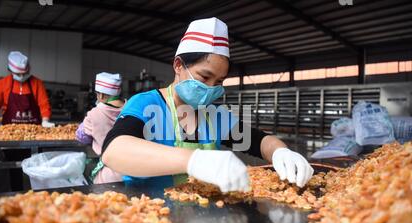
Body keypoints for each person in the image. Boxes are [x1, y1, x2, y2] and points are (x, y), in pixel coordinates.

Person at [101, 17, 313, 192]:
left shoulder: (214, 117)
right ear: (178, 65)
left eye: (219, 82)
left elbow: (261, 141)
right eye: (204, 77)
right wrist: (194, 161)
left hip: (203, 222)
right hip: (150, 214)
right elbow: (114, 150)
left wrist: (280, 153)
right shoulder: (147, 104)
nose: (211, 88)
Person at [76, 72, 125, 184]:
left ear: (102, 95)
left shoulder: (94, 114)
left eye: (97, 94)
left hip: (109, 174)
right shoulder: (132, 108)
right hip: (133, 171)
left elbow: (81, 137)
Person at [0, 51, 54, 128]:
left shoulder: (37, 83)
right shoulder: (2, 84)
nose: (22, 77)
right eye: (18, 74)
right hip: (7, 131)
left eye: (25, 73)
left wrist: (45, 121)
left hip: (34, 130)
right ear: (10, 70)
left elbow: (45, 106)